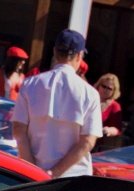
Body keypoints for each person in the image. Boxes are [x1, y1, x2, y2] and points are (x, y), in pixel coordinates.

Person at [11, 28, 100, 178]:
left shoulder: (29, 84)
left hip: (33, 174)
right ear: (79, 56)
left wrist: (33, 170)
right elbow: (88, 142)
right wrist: (54, 173)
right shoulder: (90, 93)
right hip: (73, 178)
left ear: (55, 52)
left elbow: (19, 130)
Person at [96, 73, 123, 143]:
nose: (105, 90)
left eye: (109, 88)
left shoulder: (115, 106)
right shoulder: (90, 99)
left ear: (114, 91)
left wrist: (109, 130)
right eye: (104, 86)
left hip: (101, 142)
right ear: (99, 85)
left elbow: (117, 129)